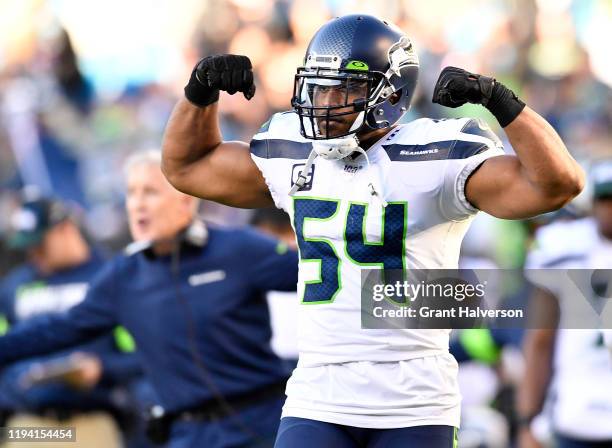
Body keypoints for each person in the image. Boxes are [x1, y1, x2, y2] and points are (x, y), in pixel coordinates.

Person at [161, 14, 584, 448]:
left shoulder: (437, 155)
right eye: (319, 86)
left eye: (345, 87)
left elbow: (558, 184)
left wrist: (502, 102)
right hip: (317, 395)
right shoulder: (290, 152)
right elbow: (186, 166)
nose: (326, 102)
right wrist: (199, 92)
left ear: (392, 94)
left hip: (415, 402)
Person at [0, 151, 299, 448]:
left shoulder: (238, 249)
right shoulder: (122, 276)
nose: (138, 204)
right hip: (187, 434)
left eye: (151, 192)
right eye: (131, 193)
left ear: (186, 198)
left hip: (263, 425)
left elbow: (319, 274)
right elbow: (57, 329)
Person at [0, 192, 144, 448]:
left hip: (91, 420)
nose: (34, 256)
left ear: (65, 229)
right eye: (28, 248)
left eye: (40, 245)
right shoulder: (15, 287)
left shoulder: (109, 276)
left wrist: (102, 368)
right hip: (29, 422)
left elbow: (143, 355)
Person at [518, 159, 612, 448]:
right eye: (606, 200)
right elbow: (540, 340)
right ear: (593, 204)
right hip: (573, 410)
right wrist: (527, 420)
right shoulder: (562, 247)